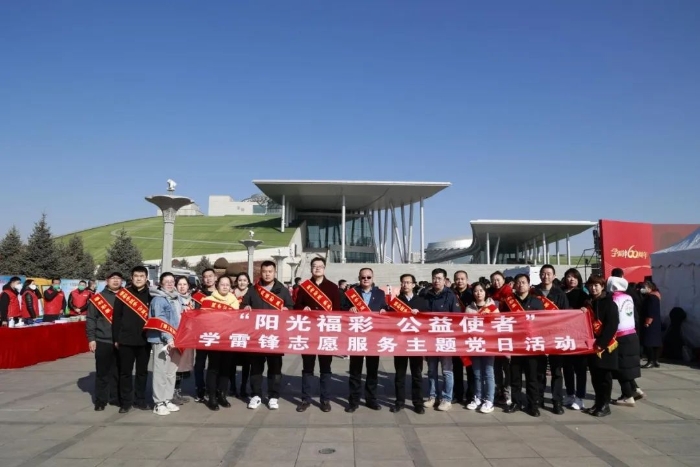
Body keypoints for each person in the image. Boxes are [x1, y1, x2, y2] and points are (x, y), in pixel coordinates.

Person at [242, 261, 294, 410]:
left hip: (275, 336)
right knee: (256, 367)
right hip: (257, 335)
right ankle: (256, 395)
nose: (267, 274)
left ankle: (273, 396)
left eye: (270, 271)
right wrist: (246, 307)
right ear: (261, 272)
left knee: (275, 368)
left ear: (274, 272)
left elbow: (291, 307)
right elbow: (244, 305)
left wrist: (287, 309)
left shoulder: (282, 290)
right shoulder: (253, 289)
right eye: (264, 271)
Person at [294, 257, 341, 413]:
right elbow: (297, 306)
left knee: (325, 368)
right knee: (307, 368)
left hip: (326, 333)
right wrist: (303, 308)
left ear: (324, 268)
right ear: (311, 269)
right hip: (308, 333)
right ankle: (305, 399)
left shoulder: (333, 287)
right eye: (314, 266)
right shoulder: (304, 287)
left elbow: (337, 310)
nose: (317, 268)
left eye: (320, 266)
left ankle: (325, 400)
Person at [342, 267, 386, 413]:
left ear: (373, 278)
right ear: (359, 278)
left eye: (368, 277)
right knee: (355, 371)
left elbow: (385, 307)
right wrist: (349, 309)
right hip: (357, 336)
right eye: (363, 277)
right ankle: (353, 401)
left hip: (373, 337)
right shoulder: (351, 293)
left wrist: (384, 310)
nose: (366, 279)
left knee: (372, 371)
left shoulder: (380, 293)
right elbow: (342, 308)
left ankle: (371, 399)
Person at [502, 274, 545, 417]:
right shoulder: (508, 302)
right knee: (515, 377)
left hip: (531, 345)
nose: (520, 285)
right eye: (518, 283)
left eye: (523, 282)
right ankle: (516, 402)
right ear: (514, 285)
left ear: (529, 284)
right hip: (515, 345)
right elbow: (503, 323)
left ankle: (533, 405)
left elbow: (542, 323)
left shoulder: (537, 302)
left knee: (532, 378)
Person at [113, 266, 152, 413]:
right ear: (131, 277)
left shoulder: (152, 295)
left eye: (142, 276)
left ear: (146, 278)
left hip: (144, 340)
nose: (139, 278)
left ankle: (140, 399)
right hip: (126, 340)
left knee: (142, 372)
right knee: (125, 372)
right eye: (136, 276)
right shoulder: (123, 294)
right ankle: (126, 402)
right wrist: (116, 338)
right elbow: (116, 318)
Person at [531, 264, 570, 415]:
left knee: (556, 371)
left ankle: (557, 401)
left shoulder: (560, 293)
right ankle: (539, 398)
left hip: (555, 336)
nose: (545, 276)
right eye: (543, 273)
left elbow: (566, 315)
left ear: (554, 276)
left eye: (548, 274)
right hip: (538, 336)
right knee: (539, 370)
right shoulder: (534, 292)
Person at [388, 274, 426, 414]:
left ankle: (418, 403)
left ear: (414, 284)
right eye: (403, 282)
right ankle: (399, 402)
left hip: (416, 343)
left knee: (417, 375)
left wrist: (420, 314)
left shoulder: (421, 301)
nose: (405, 285)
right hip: (400, 343)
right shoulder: (396, 302)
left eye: (408, 282)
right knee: (400, 375)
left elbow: (428, 320)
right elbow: (390, 320)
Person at [424, 268, 461, 411]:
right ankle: (432, 396)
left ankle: (446, 399)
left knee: (447, 371)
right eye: (434, 278)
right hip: (431, 338)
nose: (436, 281)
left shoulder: (450, 296)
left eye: (439, 278)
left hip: (446, 338)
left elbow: (456, 318)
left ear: (445, 280)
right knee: (432, 370)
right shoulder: (426, 295)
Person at [201, 275, 240, 411]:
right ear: (217, 285)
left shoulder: (234, 300)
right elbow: (204, 320)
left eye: (227, 284)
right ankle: (212, 396)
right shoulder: (208, 300)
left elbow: (237, 320)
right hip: (214, 338)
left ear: (230, 286)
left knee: (226, 368)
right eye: (222, 284)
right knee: (213, 368)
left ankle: (222, 394)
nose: (225, 287)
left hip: (228, 338)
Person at [86, 271, 123, 411]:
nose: (115, 280)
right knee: (102, 372)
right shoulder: (98, 299)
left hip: (121, 341)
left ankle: (115, 397)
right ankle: (100, 400)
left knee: (118, 371)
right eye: (113, 278)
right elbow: (91, 319)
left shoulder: (126, 297)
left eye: (118, 278)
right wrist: (91, 338)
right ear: (107, 281)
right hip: (103, 340)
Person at [584, 274, 620, 417]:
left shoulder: (610, 303)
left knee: (605, 377)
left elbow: (612, 325)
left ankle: (605, 405)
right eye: (591, 285)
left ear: (602, 286)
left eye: (596, 285)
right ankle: (598, 403)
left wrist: (602, 343)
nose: (593, 288)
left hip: (605, 346)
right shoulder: (588, 303)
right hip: (592, 345)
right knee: (595, 376)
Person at [147, 272, 182, 416]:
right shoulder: (158, 299)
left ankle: (167, 399)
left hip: (176, 340)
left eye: (172, 281)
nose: (169, 284)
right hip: (161, 340)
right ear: (161, 283)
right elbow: (160, 321)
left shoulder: (176, 297)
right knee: (160, 371)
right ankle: (159, 402)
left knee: (171, 371)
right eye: (166, 281)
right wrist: (168, 338)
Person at [607, 276, 643, 407]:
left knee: (621, 367)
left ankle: (627, 395)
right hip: (632, 334)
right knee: (628, 366)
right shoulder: (628, 297)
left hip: (620, 336)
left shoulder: (613, 299)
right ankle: (635, 388)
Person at [465, 282, 498, 413]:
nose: (478, 293)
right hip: (474, 344)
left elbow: (498, 325)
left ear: (485, 292)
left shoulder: (493, 308)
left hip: (489, 345)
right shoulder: (469, 308)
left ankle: (489, 400)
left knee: (488, 373)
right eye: (476, 291)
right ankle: (478, 397)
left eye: (481, 290)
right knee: (477, 373)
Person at [561, 268, 589, 410]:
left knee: (580, 368)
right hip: (564, 335)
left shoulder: (583, 294)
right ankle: (570, 393)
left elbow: (588, 311)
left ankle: (580, 397)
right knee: (567, 367)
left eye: (574, 277)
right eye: (569, 276)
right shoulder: (560, 293)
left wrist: (585, 310)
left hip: (578, 336)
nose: (571, 279)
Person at [193, 268, 217, 402]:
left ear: (215, 277)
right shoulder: (197, 295)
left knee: (214, 364)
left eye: (210, 276)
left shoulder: (221, 294)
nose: (208, 279)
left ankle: (211, 389)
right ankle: (200, 389)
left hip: (217, 334)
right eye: (205, 277)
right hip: (201, 334)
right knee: (199, 364)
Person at [489, 271, 512, 405]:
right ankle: (498, 390)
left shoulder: (510, 294)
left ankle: (508, 392)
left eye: (498, 279)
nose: (496, 282)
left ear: (504, 280)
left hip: (506, 334)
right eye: (493, 280)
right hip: (493, 334)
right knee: (496, 365)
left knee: (507, 366)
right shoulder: (489, 295)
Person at [452, 270, 474, 404]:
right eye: (457, 279)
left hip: (470, 335)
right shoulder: (450, 294)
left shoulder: (473, 294)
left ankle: (471, 395)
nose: (460, 281)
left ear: (467, 280)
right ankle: (458, 394)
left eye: (462, 279)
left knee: (471, 367)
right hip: (455, 334)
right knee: (457, 367)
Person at [173, 276, 194, 405]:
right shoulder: (173, 299)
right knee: (175, 367)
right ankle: (171, 393)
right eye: (179, 284)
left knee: (182, 368)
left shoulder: (192, 300)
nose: (182, 287)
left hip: (188, 338)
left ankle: (177, 392)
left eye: (184, 284)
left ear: (188, 286)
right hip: (177, 336)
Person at [231, 272, 252, 399]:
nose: (242, 282)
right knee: (231, 361)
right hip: (233, 332)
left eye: (244, 280)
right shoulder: (231, 294)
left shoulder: (253, 294)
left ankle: (244, 387)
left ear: (248, 282)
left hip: (247, 333)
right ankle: (232, 386)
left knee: (246, 362)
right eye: (240, 280)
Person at [640, 281, 662, 368]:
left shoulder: (651, 298)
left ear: (650, 288)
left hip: (650, 323)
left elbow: (651, 311)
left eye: (644, 287)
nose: (643, 289)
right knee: (655, 343)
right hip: (655, 323)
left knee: (648, 343)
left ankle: (651, 360)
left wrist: (648, 322)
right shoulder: (655, 296)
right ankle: (655, 360)